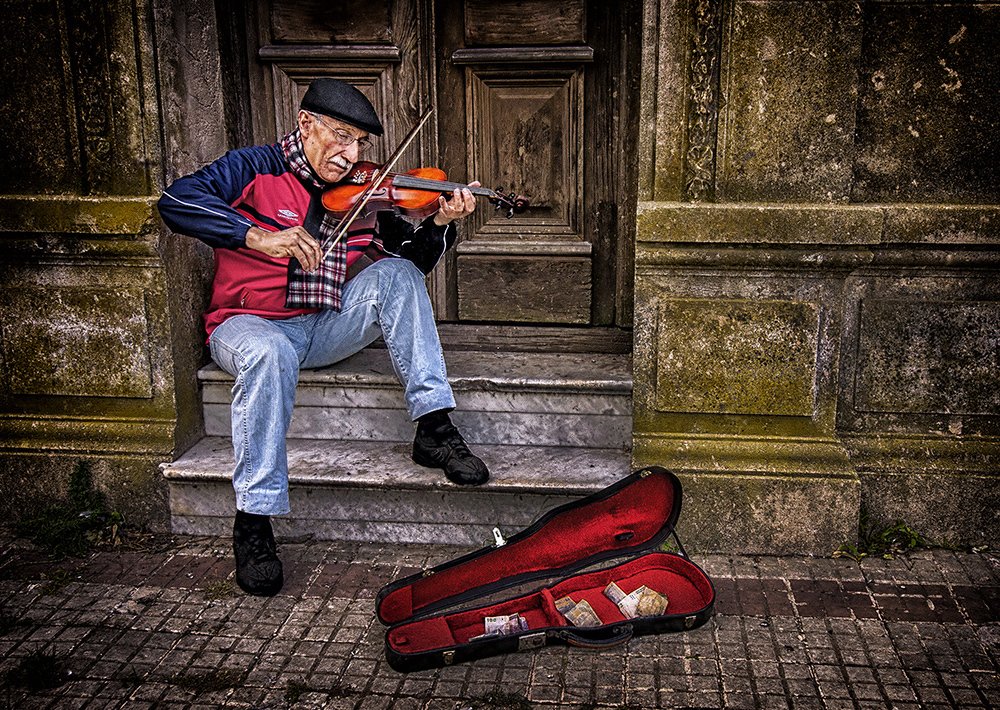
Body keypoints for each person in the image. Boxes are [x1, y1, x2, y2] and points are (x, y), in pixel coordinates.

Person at [158, 78, 489, 597]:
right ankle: (254, 521)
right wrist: (258, 235)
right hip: (249, 326)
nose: (351, 154)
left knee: (397, 275)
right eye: (340, 136)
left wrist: (441, 222)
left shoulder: (368, 191)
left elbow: (415, 262)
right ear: (306, 123)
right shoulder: (253, 166)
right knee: (267, 352)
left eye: (359, 142)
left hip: (325, 324)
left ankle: (434, 428)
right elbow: (177, 201)